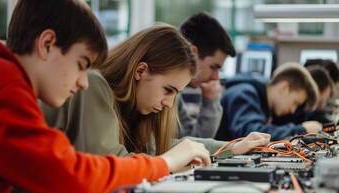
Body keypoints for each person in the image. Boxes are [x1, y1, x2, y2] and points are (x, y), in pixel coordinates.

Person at [0, 0, 213, 193]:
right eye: (81, 65)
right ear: (47, 43)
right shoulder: (3, 86)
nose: (83, 82)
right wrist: (163, 164)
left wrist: (229, 147)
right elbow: (75, 176)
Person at [40, 24, 270, 160]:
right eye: (168, 90)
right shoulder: (93, 84)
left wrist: (232, 147)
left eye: (175, 93)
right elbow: (110, 161)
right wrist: (170, 162)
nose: (170, 103)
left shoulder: (135, 107)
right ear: (141, 70)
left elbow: (162, 146)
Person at [215, 62, 322, 141]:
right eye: (295, 102)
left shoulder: (263, 102)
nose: (293, 110)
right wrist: (299, 130)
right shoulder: (244, 93)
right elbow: (251, 135)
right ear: (284, 88)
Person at [177, 11, 236, 138]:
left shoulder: (175, 95)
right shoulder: (167, 91)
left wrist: (210, 102)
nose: (215, 77)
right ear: (192, 53)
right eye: (213, 67)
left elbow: (190, 140)